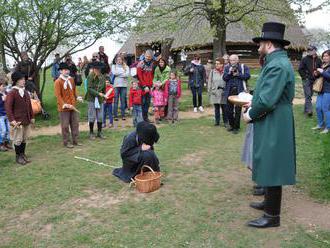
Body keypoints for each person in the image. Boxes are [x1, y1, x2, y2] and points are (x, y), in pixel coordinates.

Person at [242, 22, 296, 228]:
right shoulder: (276, 62)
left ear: (270, 44)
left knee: (273, 163)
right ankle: (268, 203)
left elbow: (267, 100)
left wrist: (250, 114)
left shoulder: (277, 65)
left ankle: (272, 217)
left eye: (261, 42)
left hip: (275, 119)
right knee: (267, 159)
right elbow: (265, 94)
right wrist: (254, 102)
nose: (258, 47)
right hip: (273, 117)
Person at [5, 71, 34, 165]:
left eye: (24, 79)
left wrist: (32, 117)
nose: (24, 81)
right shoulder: (12, 93)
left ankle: (22, 154)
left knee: (24, 138)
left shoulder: (25, 92)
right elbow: (8, 108)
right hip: (17, 121)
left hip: (26, 119)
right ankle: (18, 157)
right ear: (16, 81)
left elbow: (29, 106)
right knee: (18, 139)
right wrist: (12, 120)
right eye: (21, 79)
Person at [54, 63, 81, 148]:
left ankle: (75, 141)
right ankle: (66, 142)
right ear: (61, 71)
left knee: (75, 124)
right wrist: (64, 104)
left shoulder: (71, 79)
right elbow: (58, 95)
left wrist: (77, 97)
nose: (67, 71)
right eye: (65, 70)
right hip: (64, 108)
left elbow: (74, 91)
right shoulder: (58, 81)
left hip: (73, 106)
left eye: (68, 70)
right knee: (65, 126)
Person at [223, 54, 250, 134]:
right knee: (228, 110)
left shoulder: (243, 67)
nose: (232, 62)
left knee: (238, 110)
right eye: (231, 60)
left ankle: (236, 127)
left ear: (237, 60)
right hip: (229, 90)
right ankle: (231, 125)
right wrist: (230, 73)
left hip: (239, 91)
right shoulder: (227, 67)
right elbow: (224, 78)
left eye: (234, 60)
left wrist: (238, 74)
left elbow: (247, 76)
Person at [298, 45, 322, 117]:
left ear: (315, 50)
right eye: (308, 50)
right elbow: (300, 69)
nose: (309, 51)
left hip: (314, 80)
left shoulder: (319, 60)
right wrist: (304, 77)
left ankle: (306, 110)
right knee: (308, 95)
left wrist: (317, 74)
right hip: (306, 80)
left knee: (309, 95)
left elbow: (320, 69)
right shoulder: (304, 59)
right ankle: (310, 111)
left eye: (311, 50)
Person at [85, 62, 106, 139]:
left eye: (98, 69)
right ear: (93, 69)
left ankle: (99, 132)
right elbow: (89, 88)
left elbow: (104, 88)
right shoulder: (90, 76)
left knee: (100, 116)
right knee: (92, 116)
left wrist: (103, 97)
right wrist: (98, 94)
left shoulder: (102, 77)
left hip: (100, 99)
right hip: (91, 99)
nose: (97, 70)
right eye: (96, 69)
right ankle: (91, 132)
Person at [312, 50, 330, 134]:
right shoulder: (324, 65)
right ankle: (320, 124)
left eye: (327, 56)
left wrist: (323, 72)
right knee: (318, 107)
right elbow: (320, 77)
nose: (324, 57)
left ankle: (328, 127)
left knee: (325, 108)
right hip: (321, 90)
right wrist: (316, 74)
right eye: (324, 56)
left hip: (328, 90)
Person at [208, 57, 228, 127]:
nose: (216, 65)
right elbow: (209, 82)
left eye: (218, 64)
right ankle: (217, 122)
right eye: (216, 63)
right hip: (215, 92)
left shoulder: (226, 71)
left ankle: (226, 121)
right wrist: (210, 91)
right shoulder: (212, 72)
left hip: (223, 92)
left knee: (224, 108)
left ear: (222, 64)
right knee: (216, 108)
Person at [137, 49, 155, 122]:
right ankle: (141, 119)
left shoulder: (152, 64)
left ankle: (146, 118)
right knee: (142, 103)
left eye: (149, 57)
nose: (148, 58)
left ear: (151, 57)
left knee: (147, 103)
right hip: (142, 86)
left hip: (149, 86)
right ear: (144, 56)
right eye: (147, 56)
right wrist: (144, 86)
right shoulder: (140, 64)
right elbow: (139, 76)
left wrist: (151, 84)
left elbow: (152, 75)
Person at [112, 55, 130, 121]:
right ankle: (115, 115)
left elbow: (127, 74)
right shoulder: (114, 66)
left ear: (122, 60)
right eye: (118, 60)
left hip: (124, 85)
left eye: (120, 59)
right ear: (116, 60)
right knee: (116, 100)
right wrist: (123, 73)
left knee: (123, 101)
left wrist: (119, 74)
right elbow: (114, 73)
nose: (119, 61)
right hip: (116, 85)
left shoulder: (126, 66)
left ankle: (123, 115)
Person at [0, 79, 11, 151]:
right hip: (0, 115)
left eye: (4, 86)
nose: (4, 87)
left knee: (9, 130)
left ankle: (6, 144)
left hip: (7, 114)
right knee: (3, 130)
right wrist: (2, 100)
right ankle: (1, 144)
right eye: (2, 86)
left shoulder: (6, 93)